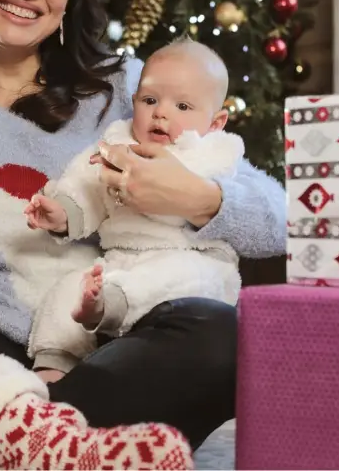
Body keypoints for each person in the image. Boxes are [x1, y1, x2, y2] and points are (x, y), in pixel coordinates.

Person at [0, 0, 286, 470]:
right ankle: (31, 440)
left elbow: (281, 220)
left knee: (219, 332)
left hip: (102, 351)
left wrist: (202, 198)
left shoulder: (128, 89)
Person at [24, 38, 245, 379]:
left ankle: (110, 307)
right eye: (150, 100)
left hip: (191, 261)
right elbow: (86, 184)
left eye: (183, 107)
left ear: (216, 123)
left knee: (174, 277)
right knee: (71, 287)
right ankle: (52, 373)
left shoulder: (219, 154)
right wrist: (62, 213)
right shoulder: (119, 141)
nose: (161, 113)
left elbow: (245, 205)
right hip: (120, 259)